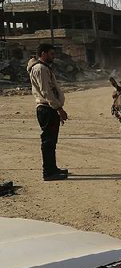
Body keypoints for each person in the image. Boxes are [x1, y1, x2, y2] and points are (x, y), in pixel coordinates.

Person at [29, 43, 69, 181]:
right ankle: (48, 172)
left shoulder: (45, 68)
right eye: (51, 54)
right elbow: (46, 91)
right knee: (48, 141)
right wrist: (59, 109)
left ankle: (53, 168)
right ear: (43, 53)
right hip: (47, 109)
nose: (54, 56)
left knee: (52, 141)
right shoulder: (40, 69)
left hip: (50, 108)